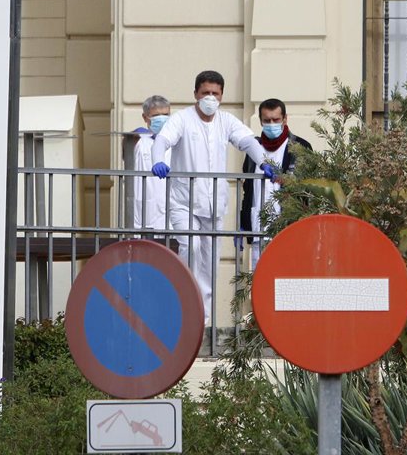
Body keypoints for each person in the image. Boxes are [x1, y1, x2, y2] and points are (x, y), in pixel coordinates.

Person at [151, 70, 278, 322]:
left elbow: (248, 141)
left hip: (214, 206)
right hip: (183, 202)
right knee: (191, 246)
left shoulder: (226, 121)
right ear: (195, 94)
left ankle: (204, 320)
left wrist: (264, 162)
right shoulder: (182, 119)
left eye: (215, 93)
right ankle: (183, 306)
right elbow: (162, 140)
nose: (210, 98)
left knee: (209, 264)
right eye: (205, 93)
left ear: (221, 95)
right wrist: (157, 160)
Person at [238, 98, 313, 268]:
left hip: (289, 232)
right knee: (260, 279)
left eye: (276, 120)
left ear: (285, 119)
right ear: (260, 121)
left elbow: (309, 190)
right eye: (267, 120)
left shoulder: (300, 147)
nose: (271, 124)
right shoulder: (253, 150)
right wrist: (243, 224)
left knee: (286, 280)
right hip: (259, 231)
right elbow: (247, 190)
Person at [133, 95, 171, 236]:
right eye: (156, 116)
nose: (162, 119)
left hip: (171, 213)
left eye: (165, 115)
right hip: (146, 214)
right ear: (145, 117)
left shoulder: (175, 140)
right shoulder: (140, 141)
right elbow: (126, 147)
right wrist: (134, 134)